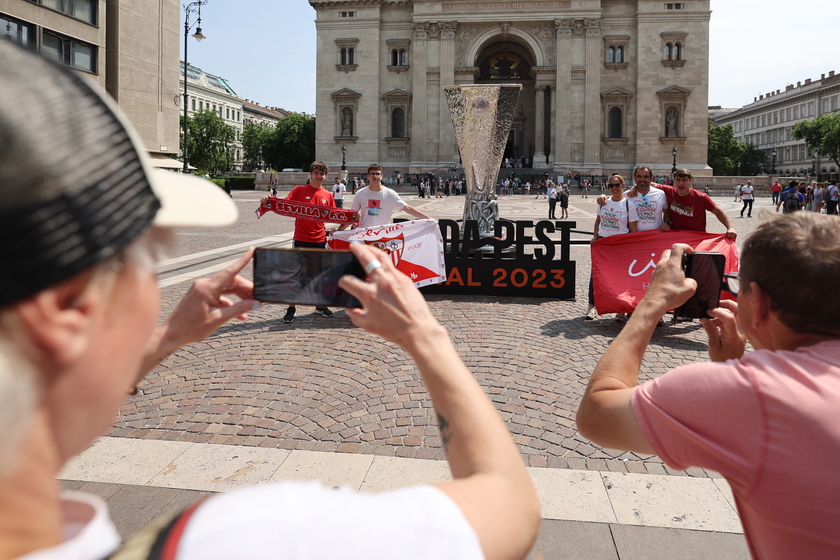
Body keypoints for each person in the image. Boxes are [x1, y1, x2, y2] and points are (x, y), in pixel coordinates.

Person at [0, 41, 540, 560]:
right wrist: (426, 338)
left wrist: (164, 340)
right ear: (68, 310)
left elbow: (35, 414)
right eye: (142, 262)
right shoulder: (249, 540)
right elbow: (508, 502)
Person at [577, 211, 840, 560]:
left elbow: (597, 414)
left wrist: (652, 302)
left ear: (757, 302)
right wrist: (734, 366)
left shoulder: (750, 394)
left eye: (736, 285)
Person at [261, 161, 338, 322]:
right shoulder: (299, 190)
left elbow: (335, 215)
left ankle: (320, 306)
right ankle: (291, 308)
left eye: (322, 174)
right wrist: (268, 202)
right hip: (301, 239)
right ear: (311, 174)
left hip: (319, 239)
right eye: (316, 173)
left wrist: (352, 220)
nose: (319, 176)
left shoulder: (328, 195)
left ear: (325, 176)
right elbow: (283, 205)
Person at [585, 175, 639, 322]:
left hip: (620, 244)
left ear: (623, 185)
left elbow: (633, 229)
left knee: (621, 276)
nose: (614, 188)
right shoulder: (604, 203)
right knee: (596, 274)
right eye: (611, 186)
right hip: (603, 242)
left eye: (617, 185)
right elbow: (598, 222)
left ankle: (621, 308)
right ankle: (592, 306)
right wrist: (596, 237)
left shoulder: (629, 205)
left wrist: (631, 247)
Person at [340, 163, 431, 230]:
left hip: (382, 233)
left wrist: (428, 218)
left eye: (377, 174)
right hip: (364, 233)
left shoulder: (390, 193)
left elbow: (407, 208)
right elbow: (352, 214)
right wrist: (339, 230)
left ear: (382, 176)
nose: (375, 176)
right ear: (368, 176)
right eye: (372, 173)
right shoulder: (360, 193)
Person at [658, 169, 736, 238]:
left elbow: (718, 212)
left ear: (690, 181)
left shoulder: (701, 197)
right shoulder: (669, 191)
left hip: (697, 237)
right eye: (678, 180)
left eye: (684, 180)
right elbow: (649, 184)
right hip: (676, 235)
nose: (681, 183)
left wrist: (730, 228)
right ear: (673, 181)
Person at [597, 166, 671, 233]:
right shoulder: (627, 195)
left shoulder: (660, 194)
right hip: (635, 236)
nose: (642, 179)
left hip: (654, 235)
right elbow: (613, 201)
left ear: (651, 178)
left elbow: (666, 211)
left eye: (646, 177)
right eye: (639, 176)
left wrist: (666, 223)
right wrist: (603, 196)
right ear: (635, 178)